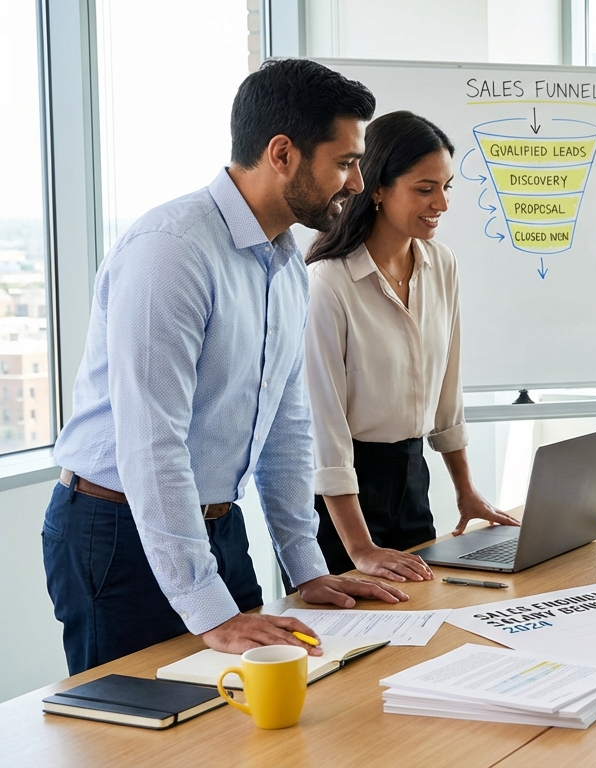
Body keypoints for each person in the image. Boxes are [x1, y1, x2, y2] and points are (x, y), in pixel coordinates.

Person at [43, 58, 409, 676]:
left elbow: (288, 429)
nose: (355, 182)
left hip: (216, 526)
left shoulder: (286, 265)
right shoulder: (173, 252)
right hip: (118, 531)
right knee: (142, 738)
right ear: (283, 153)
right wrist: (212, 612)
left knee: (234, 722)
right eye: (345, 161)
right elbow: (151, 443)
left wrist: (308, 567)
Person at [302, 111, 518, 584]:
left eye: (447, 187)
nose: (441, 202)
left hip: (412, 474)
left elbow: (447, 386)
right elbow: (325, 429)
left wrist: (467, 491)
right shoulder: (328, 283)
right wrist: (359, 549)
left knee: (422, 619)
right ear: (377, 187)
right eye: (425, 189)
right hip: (341, 497)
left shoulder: (441, 264)